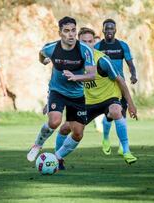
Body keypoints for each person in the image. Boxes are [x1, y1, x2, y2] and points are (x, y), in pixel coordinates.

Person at [55, 27, 138, 166]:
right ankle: (57, 158)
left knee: (116, 111)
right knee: (67, 129)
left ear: (94, 42)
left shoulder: (102, 60)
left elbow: (121, 81)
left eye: (90, 41)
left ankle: (126, 151)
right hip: (87, 103)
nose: (87, 44)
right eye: (84, 42)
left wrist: (130, 104)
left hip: (109, 98)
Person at [26, 17, 96, 170]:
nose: (71, 34)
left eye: (73, 30)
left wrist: (76, 76)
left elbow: (92, 75)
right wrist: (42, 61)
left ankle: (57, 157)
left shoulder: (85, 50)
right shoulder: (51, 48)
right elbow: (41, 53)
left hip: (77, 95)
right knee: (54, 122)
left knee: (78, 133)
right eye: (66, 31)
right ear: (60, 33)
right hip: (57, 91)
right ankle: (38, 144)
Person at [94, 18, 138, 155]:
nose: (109, 31)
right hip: (105, 86)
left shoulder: (122, 46)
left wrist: (133, 75)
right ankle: (106, 138)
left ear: (115, 30)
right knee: (109, 115)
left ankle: (122, 145)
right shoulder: (98, 47)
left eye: (111, 28)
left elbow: (130, 64)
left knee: (122, 113)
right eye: (106, 28)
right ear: (102, 30)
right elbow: (91, 65)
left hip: (120, 84)